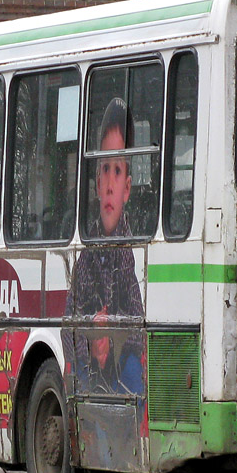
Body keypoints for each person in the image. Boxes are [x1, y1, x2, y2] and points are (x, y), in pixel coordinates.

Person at [64, 97, 144, 397]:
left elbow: (138, 321)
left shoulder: (129, 251)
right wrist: (91, 331)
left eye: (118, 171)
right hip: (90, 369)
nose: (110, 184)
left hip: (121, 367)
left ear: (128, 189)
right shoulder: (84, 256)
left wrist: (116, 337)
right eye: (105, 170)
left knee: (134, 377)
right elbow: (66, 325)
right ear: (96, 184)